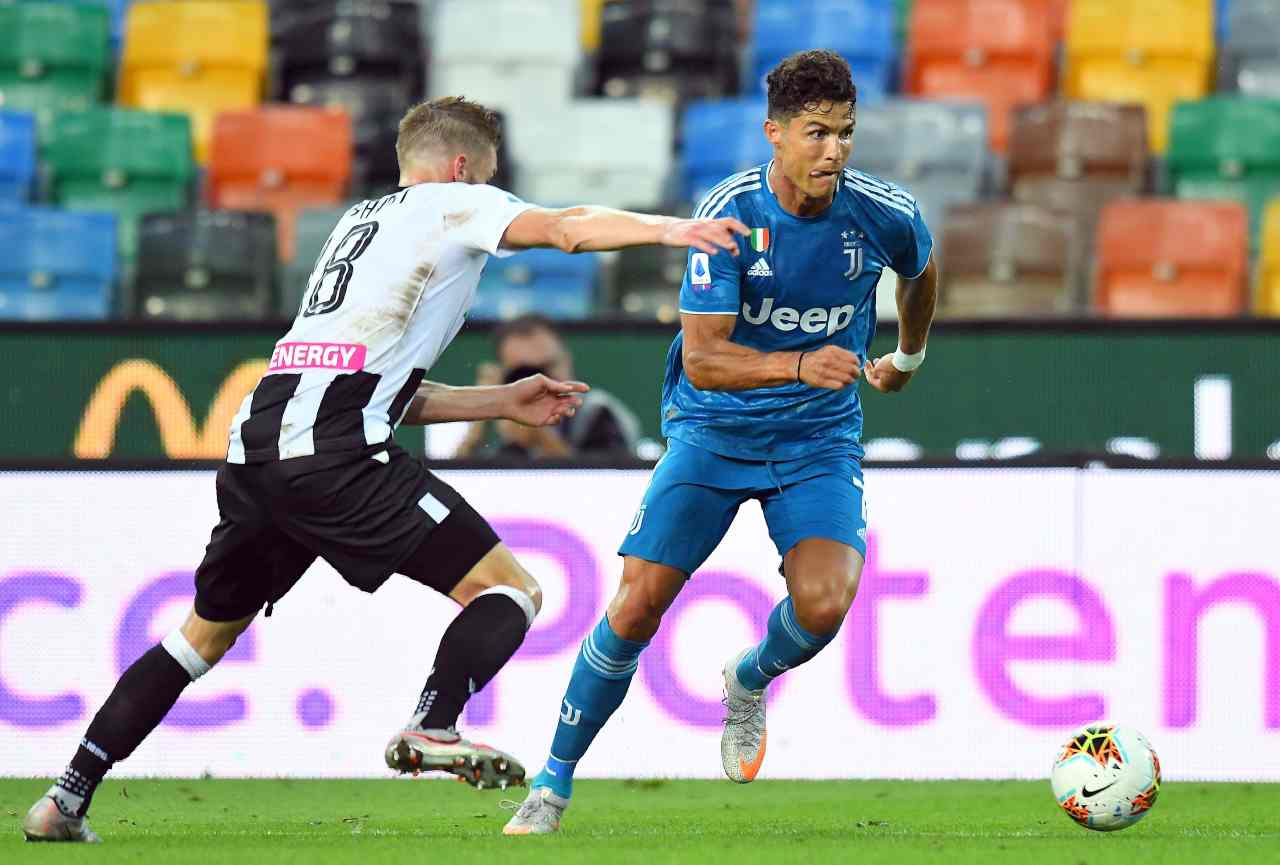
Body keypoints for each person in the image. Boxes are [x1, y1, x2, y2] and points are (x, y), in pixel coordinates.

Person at [23, 96, 747, 843]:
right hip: (334, 449)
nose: (491, 192)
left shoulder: (357, 225)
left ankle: (65, 798)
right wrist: (669, 228)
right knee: (508, 588)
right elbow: (564, 230)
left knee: (198, 639)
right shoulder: (456, 202)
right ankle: (435, 722)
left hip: (258, 443)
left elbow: (382, 385)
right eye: (490, 178)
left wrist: (502, 400)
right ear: (464, 168)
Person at [503, 50, 939, 835]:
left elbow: (921, 266)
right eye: (816, 133)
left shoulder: (882, 211)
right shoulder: (730, 216)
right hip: (713, 429)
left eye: (845, 133)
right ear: (775, 133)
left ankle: (747, 677)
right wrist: (802, 361)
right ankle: (553, 781)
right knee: (637, 606)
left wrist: (907, 355)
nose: (834, 151)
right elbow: (703, 358)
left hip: (816, 439)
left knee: (826, 602)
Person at [455, 314, 643, 459]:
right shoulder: (498, 413)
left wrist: (541, 438)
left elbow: (608, 487)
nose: (540, 383)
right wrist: (482, 411)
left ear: (566, 360)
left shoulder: (598, 412)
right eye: (525, 373)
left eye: (547, 367)